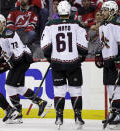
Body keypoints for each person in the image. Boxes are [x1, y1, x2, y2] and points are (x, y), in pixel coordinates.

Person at [0, 14, 49, 124]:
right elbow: (6, 54)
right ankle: (41, 103)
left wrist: (8, 65)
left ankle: (18, 114)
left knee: (9, 86)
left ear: (4, 23)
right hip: (18, 60)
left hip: (22, 59)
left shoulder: (8, 33)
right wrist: (1, 64)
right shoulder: (1, 37)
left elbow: (18, 53)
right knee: (18, 87)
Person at [41, 1, 88, 129]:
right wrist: (81, 58)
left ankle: (59, 117)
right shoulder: (77, 24)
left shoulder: (49, 25)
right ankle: (78, 117)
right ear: (69, 11)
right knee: (75, 90)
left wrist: (50, 58)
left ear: (58, 12)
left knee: (59, 91)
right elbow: (83, 47)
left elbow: (45, 47)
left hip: (57, 64)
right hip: (73, 63)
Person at [95, 1, 120, 129]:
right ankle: (116, 114)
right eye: (102, 10)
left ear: (111, 11)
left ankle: (119, 115)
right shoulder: (102, 25)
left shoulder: (118, 22)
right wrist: (99, 53)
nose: (101, 12)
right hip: (108, 60)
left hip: (119, 59)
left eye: (104, 10)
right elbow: (104, 42)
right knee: (110, 87)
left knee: (116, 89)